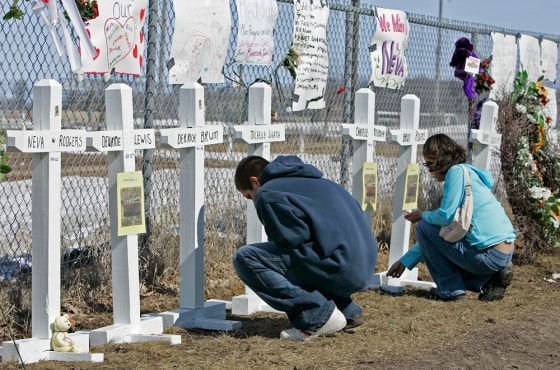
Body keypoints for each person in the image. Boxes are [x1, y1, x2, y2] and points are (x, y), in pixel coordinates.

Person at [232, 155, 378, 341]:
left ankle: (317, 316)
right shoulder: (323, 183)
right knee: (310, 251)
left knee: (246, 258)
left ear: (255, 181)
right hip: (363, 266)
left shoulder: (267, 193)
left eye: (249, 195)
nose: (253, 200)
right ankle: (346, 309)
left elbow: (290, 241)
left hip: (341, 267)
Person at [387, 134, 516, 302]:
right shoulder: (469, 172)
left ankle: (450, 290)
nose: (430, 172)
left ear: (441, 160)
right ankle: (488, 280)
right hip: (503, 252)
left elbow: (445, 216)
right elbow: (441, 236)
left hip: (488, 255)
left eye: (430, 165)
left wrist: (421, 215)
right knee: (430, 230)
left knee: (423, 227)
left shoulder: (455, 173)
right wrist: (405, 261)